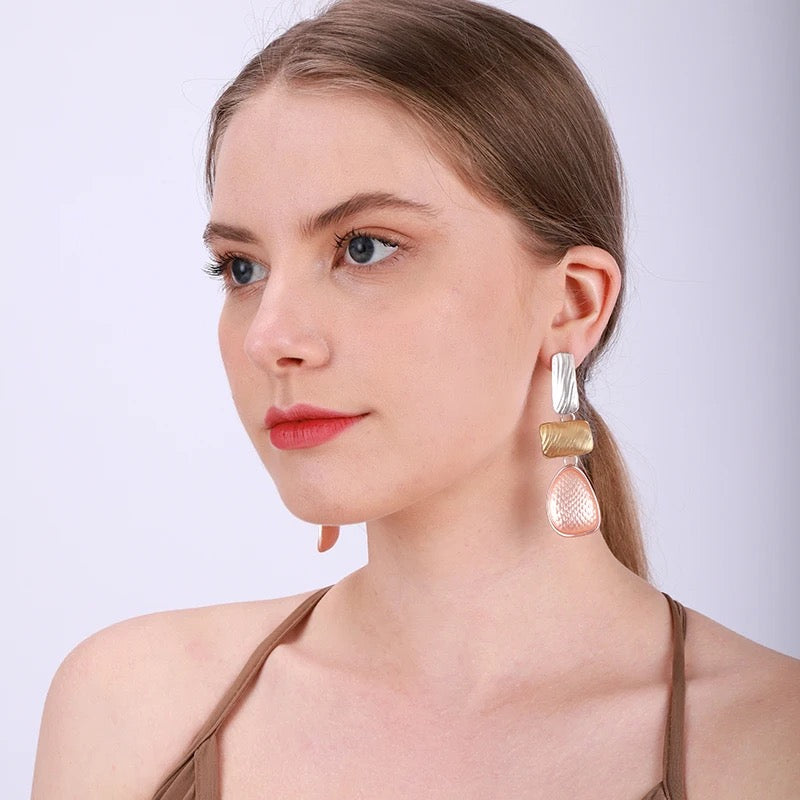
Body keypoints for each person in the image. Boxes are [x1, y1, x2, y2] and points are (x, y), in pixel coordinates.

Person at [31, 0, 799, 797]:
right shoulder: (133, 709)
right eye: (242, 268)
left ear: (571, 302)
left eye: (364, 248)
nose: (270, 337)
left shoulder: (773, 742)